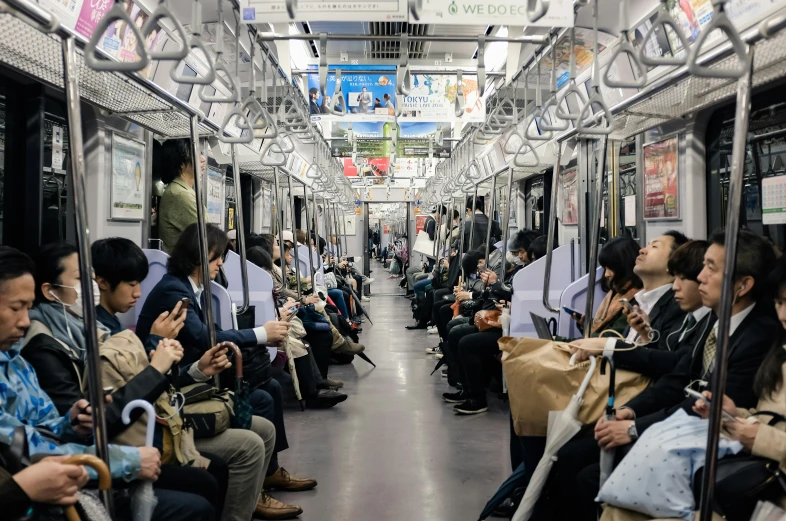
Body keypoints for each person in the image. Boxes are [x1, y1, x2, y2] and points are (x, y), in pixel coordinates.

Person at [556, 230, 779, 521]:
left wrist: (635, 428)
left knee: (586, 472)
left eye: (711, 268)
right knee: (575, 453)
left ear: (743, 285)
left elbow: (706, 404)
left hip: (712, 442)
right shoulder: (714, 319)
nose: (701, 278)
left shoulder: (757, 336)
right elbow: (679, 377)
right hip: (682, 426)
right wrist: (631, 412)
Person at [0, 246, 216, 521]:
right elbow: (27, 448)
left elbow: (44, 426)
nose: (24, 321)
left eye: (27, 309)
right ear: (50, 290)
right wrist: (129, 461)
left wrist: (73, 423)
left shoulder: (18, 359)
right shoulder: (43, 348)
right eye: (16, 308)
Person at [157, 138, 207, 253]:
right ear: (180, 164)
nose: (203, 159)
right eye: (196, 155)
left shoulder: (182, 190)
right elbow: (209, 237)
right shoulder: (180, 194)